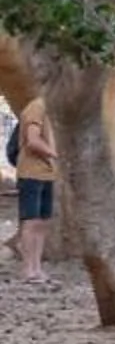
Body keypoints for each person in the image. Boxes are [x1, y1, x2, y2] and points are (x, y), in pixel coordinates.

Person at [14, 97, 55, 286]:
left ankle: (37, 269)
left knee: (42, 222)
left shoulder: (51, 109)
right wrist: (56, 155)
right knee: (30, 222)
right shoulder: (37, 107)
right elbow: (32, 140)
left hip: (48, 174)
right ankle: (28, 270)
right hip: (31, 173)